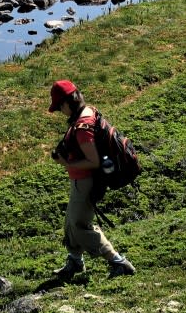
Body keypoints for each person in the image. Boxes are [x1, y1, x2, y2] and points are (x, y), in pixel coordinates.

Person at [47, 80, 137, 278]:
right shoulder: (88, 111)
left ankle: (118, 261)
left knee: (80, 227)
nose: (60, 111)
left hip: (86, 182)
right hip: (82, 181)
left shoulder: (82, 127)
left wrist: (66, 164)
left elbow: (93, 161)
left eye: (59, 107)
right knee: (71, 222)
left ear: (66, 103)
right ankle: (75, 261)